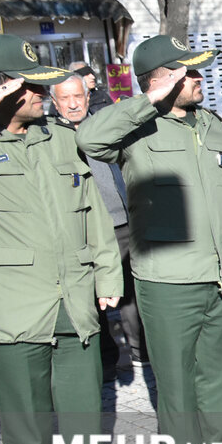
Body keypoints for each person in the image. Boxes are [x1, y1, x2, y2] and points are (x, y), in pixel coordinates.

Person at [78, 35, 222, 444]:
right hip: (167, 277)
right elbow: (88, 140)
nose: (199, 80)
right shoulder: (135, 128)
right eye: (189, 73)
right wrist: (148, 100)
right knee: (175, 374)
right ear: (161, 79)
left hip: (220, 271)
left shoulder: (210, 123)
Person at [0, 35, 129, 444]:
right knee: (26, 421)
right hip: (10, 309)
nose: (44, 95)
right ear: (0, 90)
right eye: (31, 88)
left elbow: (91, 210)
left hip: (75, 299)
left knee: (82, 410)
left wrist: (108, 276)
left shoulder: (59, 140)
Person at [49, 71, 148, 380]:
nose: (72, 104)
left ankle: (140, 352)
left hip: (120, 224)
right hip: (80, 230)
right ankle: (104, 361)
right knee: (91, 297)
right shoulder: (48, 136)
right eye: (64, 98)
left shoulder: (104, 126)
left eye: (77, 96)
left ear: (88, 97)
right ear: (54, 102)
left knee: (129, 292)